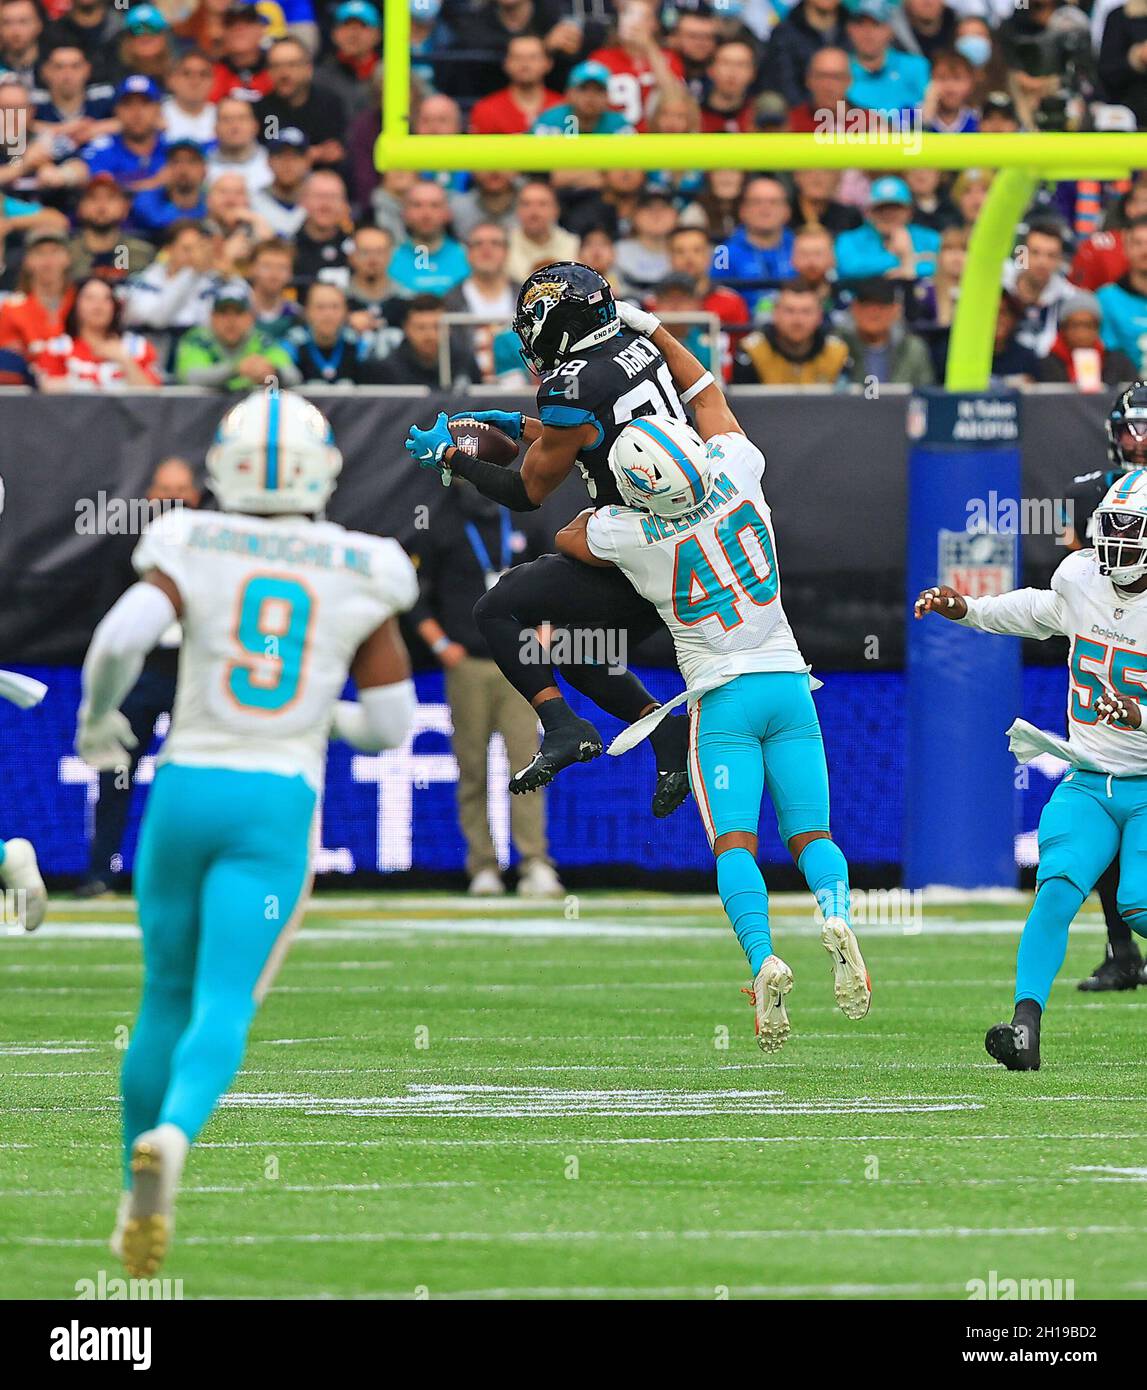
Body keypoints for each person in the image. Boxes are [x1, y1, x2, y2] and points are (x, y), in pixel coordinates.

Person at [76, 389, 418, 1276]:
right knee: (226, 1000)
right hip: (273, 801)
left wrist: (94, 720)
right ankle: (176, 1137)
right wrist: (315, 717)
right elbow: (388, 725)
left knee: (161, 995)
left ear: (226, 465)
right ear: (325, 469)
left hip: (185, 786)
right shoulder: (363, 563)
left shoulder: (191, 539)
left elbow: (118, 638)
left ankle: (127, 1189)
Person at [554, 302, 870, 1052]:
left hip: (720, 697)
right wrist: (654, 328)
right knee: (812, 832)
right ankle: (835, 913)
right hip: (789, 682)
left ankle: (762, 959)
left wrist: (617, 500)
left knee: (734, 843)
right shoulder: (735, 471)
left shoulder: (628, 533)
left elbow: (568, 536)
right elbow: (705, 396)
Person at [404, 261, 694, 816]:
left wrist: (451, 457)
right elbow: (595, 430)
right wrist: (519, 426)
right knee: (572, 645)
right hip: (679, 545)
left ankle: (562, 726)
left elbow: (526, 492)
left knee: (496, 610)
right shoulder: (634, 348)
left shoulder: (569, 384)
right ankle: (665, 735)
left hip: (637, 546)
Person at [914, 460, 1147, 1070]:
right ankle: (1024, 1027)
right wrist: (968, 609)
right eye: (1116, 527)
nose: (1119, 544)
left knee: (1140, 903)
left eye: (1134, 529)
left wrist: (1141, 717)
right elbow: (1034, 611)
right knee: (1056, 891)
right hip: (1090, 777)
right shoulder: (1081, 577)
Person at [409, 481, 562, 898]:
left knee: (529, 764)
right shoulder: (441, 525)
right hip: (468, 665)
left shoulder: (526, 520)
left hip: (518, 663)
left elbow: (553, 579)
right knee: (472, 770)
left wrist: (544, 631)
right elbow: (415, 594)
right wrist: (441, 646)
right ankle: (483, 865)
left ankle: (535, 862)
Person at [74, 458, 202, 898]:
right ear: (149, 497)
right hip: (141, 671)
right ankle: (101, 870)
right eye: (166, 490)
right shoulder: (130, 546)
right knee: (116, 772)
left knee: (195, 775)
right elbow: (111, 629)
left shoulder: (213, 550)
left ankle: (186, 878)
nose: (174, 500)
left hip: (194, 671)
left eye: (183, 490)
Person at [1056, 384, 1147, 991]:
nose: (1139, 441)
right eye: (1132, 428)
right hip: (1107, 661)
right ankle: (1122, 950)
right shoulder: (1091, 493)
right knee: (1104, 823)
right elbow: (1078, 574)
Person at [32, 275, 162, 389]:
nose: (98, 305)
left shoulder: (138, 347)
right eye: (90, 298)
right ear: (75, 305)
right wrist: (98, 382)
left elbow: (152, 399)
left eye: (106, 299)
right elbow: (48, 391)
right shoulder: (56, 348)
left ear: (115, 306)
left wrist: (125, 360)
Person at [174, 280, 300, 390]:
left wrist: (273, 371)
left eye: (238, 313)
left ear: (250, 318)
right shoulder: (198, 340)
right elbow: (191, 376)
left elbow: (294, 375)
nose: (231, 321)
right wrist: (236, 369)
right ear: (212, 317)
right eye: (224, 313)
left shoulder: (262, 340)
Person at [732, 279, 848, 385]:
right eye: (789, 311)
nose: (798, 320)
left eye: (806, 312)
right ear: (775, 314)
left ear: (819, 316)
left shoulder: (836, 352)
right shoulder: (752, 350)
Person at [711, 175, 795, 314]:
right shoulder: (724, 252)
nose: (765, 208)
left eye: (773, 202)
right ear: (742, 210)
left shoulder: (800, 247)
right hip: (740, 329)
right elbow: (718, 297)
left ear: (787, 211)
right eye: (757, 202)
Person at [840, 277, 936, 387]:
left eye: (881, 306)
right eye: (866, 305)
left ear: (896, 310)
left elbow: (926, 393)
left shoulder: (912, 349)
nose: (873, 313)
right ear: (854, 308)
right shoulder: (837, 346)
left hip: (901, 404)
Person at [373, 293, 480, 387]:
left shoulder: (464, 363)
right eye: (421, 327)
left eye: (437, 327)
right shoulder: (389, 370)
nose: (429, 335)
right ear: (406, 328)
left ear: (449, 328)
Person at [1037, 291, 1138, 387]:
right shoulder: (1045, 366)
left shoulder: (1117, 363)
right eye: (1075, 325)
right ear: (1063, 328)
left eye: (1088, 325)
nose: (1081, 334)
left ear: (1098, 329)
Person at [468, 32, 561, 135]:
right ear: (506, 63)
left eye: (533, 57)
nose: (525, 64)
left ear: (548, 63)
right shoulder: (486, 110)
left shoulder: (564, 108)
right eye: (517, 57)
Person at [1098, 217, 1147, 378]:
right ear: (1125, 248)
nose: (1144, 251)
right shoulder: (1106, 299)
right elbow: (1108, 355)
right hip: (1123, 393)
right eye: (1137, 243)